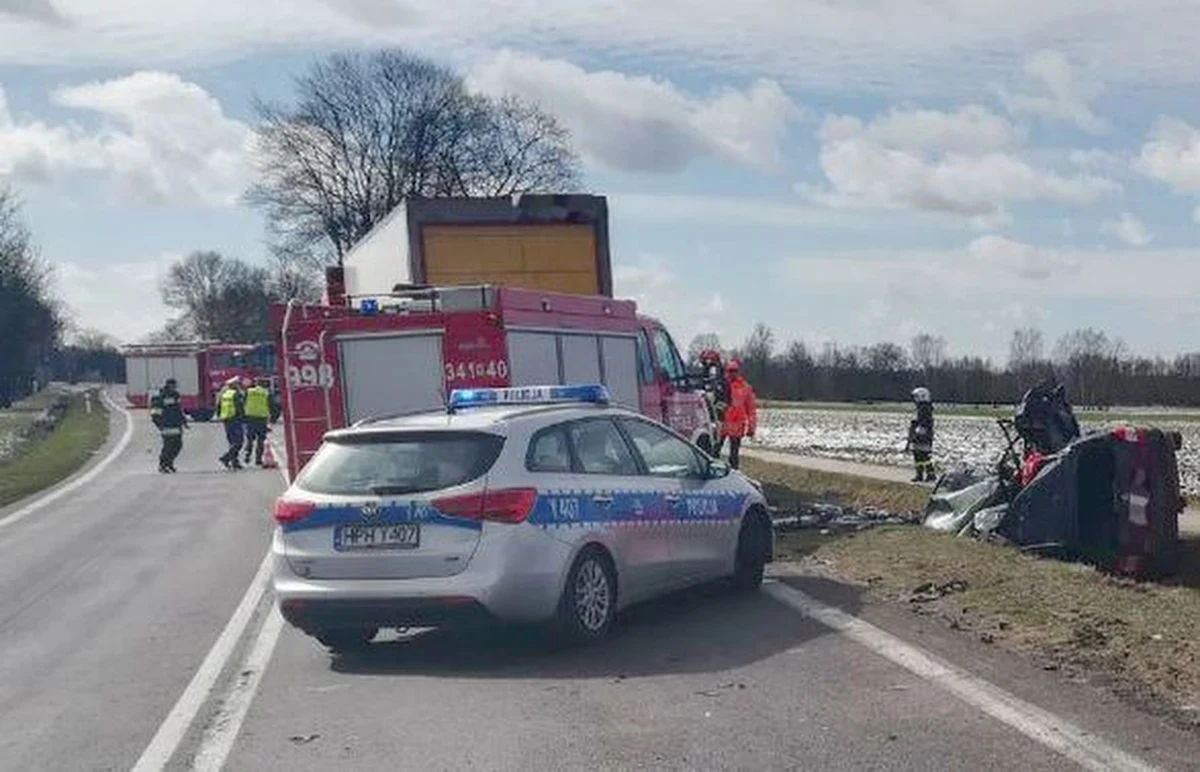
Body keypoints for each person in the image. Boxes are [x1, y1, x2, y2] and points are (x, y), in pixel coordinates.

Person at [720, 359, 757, 470]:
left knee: (734, 456)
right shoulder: (720, 385)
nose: (732, 373)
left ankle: (734, 476)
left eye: (734, 371)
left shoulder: (745, 388)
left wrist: (751, 427)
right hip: (721, 424)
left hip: (737, 426)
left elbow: (751, 409)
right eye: (729, 371)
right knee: (714, 452)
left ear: (738, 371)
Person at [149, 377, 187, 473]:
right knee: (168, 446)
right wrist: (159, 425)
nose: (175, 387)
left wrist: (183, 421)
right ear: (169, 385)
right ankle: (162, 465)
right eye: (173, 385)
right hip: (166, 425)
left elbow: (178, 410)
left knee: (178, 445)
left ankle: (169, 463)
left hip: (176, 425)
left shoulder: (175, 395)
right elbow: (155, 413)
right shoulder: (160, 396)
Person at [242, 377, 278, 467]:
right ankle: (258, 460)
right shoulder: (266, 393)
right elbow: (273, 407)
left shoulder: (249, 391)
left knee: (250, 438)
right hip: (261, 419)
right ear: (264, 385)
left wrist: (243, 417)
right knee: (260, 440)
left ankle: (247, 454)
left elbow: (243, 403)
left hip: (249, 418)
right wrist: (273, 419)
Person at [906, 386, 936, 482]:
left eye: (916, 397)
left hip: (924, 435)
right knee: (918, 454)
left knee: (924, 455)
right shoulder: (921, 408)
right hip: (920, 434)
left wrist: (919, 428)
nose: (914, 400)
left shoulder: (925, 408)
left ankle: (930, 475)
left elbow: (926, 422)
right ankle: (920, 475)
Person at [217, 377, 246, 470]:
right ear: (235, 385)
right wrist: (244, 419)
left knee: (232, 442)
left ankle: (235, 462)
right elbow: (240, 408)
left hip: (226, 420)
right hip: (235, 420)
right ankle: (226, 458)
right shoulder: (236, 395)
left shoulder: (225, 394)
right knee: (239, 442)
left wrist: (220, 416)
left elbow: (218, 406)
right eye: (237, 384)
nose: (239, 386)